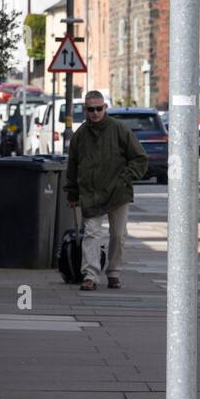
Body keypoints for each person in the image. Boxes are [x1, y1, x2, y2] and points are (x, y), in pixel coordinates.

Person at [64, 90, 149, 291]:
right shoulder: (80, 136)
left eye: (99, 108)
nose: (95, 113)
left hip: (118, 193)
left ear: (105, 108)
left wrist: (125, 178)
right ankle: (90, 275)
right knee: (92, 234)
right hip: (90, 193)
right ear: (84, 110)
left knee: (118, 235)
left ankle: (114, 272)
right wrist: (72, 193)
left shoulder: (119, 129)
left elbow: (140, 158)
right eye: (91, 109)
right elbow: (73, 166)